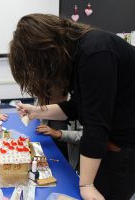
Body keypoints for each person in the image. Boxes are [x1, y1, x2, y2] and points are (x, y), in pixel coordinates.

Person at [8, 14, 135, 200]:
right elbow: (77, 106)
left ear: (46, 50)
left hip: (124, 146)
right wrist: (36, 111)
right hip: (109, 143)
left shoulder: (95, 53)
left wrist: (86, 183)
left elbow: (95, 123)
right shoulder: (80, 53)